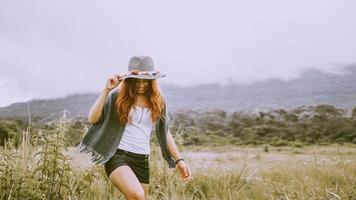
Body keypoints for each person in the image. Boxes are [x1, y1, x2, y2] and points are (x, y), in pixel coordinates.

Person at [78, 55, 191, 200]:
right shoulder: (117, 95)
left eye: (146, 81)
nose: (142, 85)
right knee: (137, 196)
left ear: (153, 81)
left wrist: (179, 160)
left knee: (139, 198)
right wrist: (106, 90)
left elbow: (165, 132)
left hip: (142, 159)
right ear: (130, 79)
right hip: (118, 156)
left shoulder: (158, 101)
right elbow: (93, 119)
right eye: (137, 81)